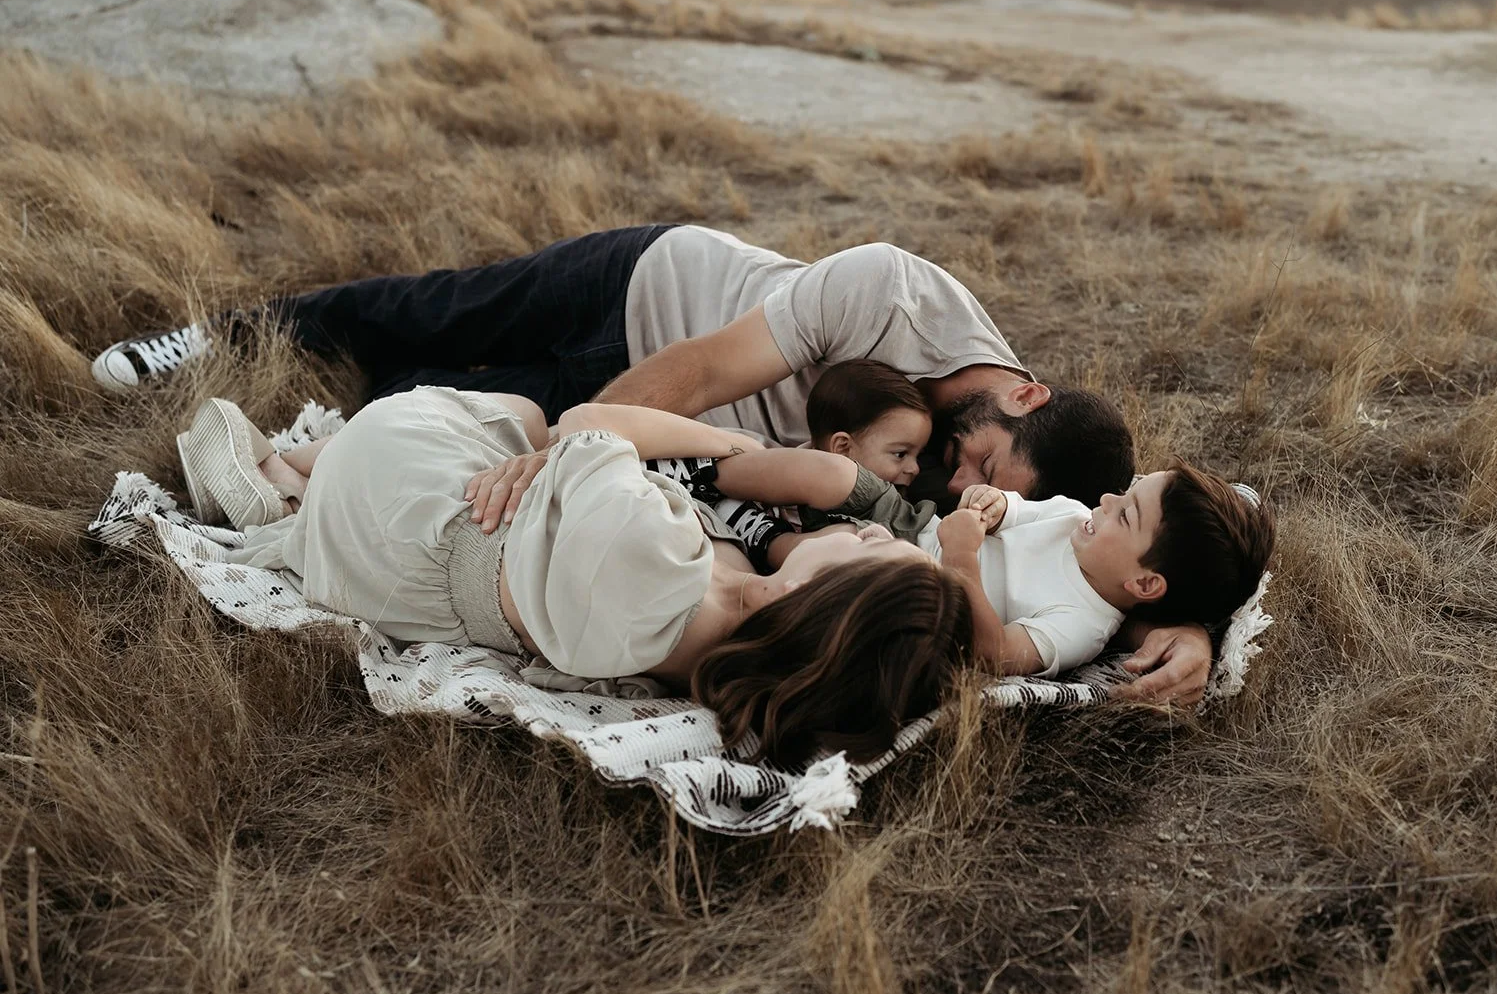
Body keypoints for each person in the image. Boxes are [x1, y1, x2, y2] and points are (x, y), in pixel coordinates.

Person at [106, 223, 1213, 704]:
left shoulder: (1020, 473)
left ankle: (292, 472)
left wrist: (1187, 620)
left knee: (395, 417)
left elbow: (1163, 528)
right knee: (431, 316)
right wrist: (555, 458)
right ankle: (210, 332)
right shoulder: (892, 289)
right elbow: (695, 375)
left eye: (984, 485)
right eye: (973, 457)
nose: (958, 483)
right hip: (647, 307)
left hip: (664, 448)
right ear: (1020, 389)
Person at [179, 388, 975, 768]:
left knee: (523, 417)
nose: (874, 527)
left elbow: (586, 422)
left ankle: (289, 474)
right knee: (519, 446)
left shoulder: (660, 565)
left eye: (876, 549)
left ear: (809, 601)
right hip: (401, 588)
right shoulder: (717, 644)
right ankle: (292, 490)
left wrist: (718, 448)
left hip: (403, 516)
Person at [654, 442, 1275, 679]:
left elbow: (995, 654)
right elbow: (1012, 510)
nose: (1108, 499)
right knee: (830, 473)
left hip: (905, 585)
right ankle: (706, 470)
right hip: (911, 525)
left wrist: (963, 565)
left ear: (1143, 581)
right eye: (1126, 490)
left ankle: (755, 532)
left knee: (808, 560)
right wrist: (992, 505)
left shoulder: (1082, 624)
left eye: (1126, 514)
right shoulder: (1073, 518)